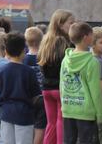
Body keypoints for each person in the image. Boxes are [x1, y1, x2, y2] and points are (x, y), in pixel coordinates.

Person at [60, 23, 102, 144]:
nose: (93, 37)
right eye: (92, 34)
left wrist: (63, 104)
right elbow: (96, 91)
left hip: (68, 107)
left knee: (68, 141)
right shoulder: (92, 63)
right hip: (86, 110)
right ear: (86, 38)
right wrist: (99, 113)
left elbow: (62, 85)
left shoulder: (65, 60)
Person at [0, 32, 41, 144]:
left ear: (7, 52)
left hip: (6, 112)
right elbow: (35, 96)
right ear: (24, 50)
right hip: (24, 113)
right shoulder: (29, 72)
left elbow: (0, 91)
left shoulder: (1, 70)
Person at [38, 10, 74, 144]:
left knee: (51, 123)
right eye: (71, 23)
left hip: (47, 88)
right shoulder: (68, 44)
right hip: (62, 88)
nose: (73, 26)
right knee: (61, 122)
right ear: (61, 25)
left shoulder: (45, 42)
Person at [22, 27, 46, 144]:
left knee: (29, 125)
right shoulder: (44, 58)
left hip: (28, 97)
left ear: (26, 42)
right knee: (40, 126)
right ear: (41, 41)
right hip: (42, 95)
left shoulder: (23, 60)